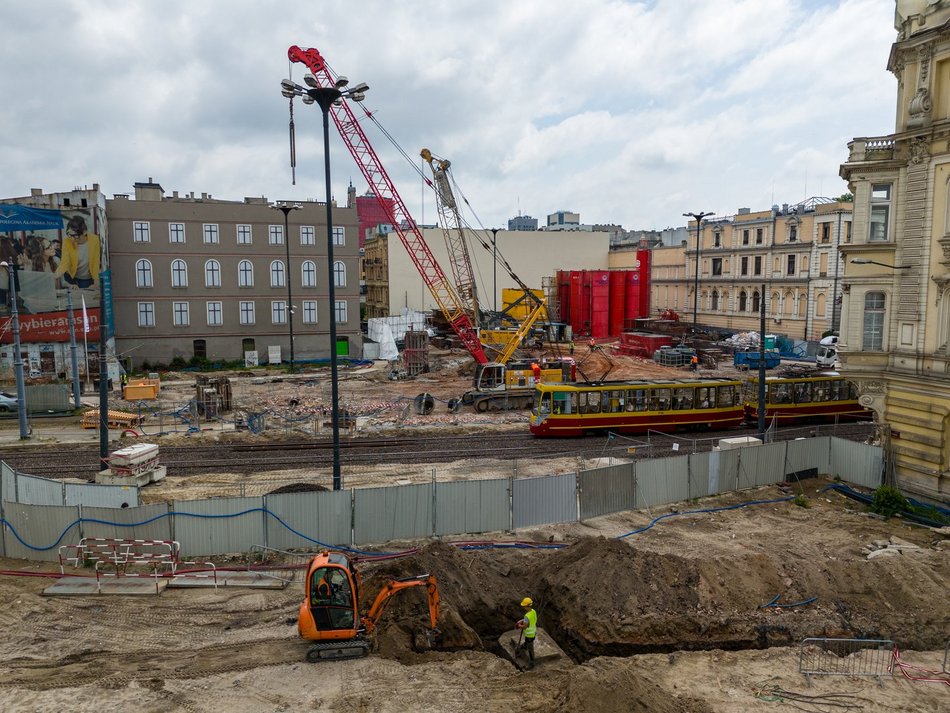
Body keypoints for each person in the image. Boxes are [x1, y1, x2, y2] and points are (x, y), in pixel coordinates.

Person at [55, 214, 101, 289]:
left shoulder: (94, 240)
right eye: (69, 235)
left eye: (75, 235)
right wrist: (54, 276)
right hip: (70, 275)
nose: (72, 239)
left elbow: (96, 262)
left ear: (84, 232)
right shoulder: (67, 242)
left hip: (85, 278)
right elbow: (64, 262)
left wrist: (96, 282)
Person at [515, 596, 538, 670]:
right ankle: (524, 646)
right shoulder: (533, 611)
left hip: (529, 634)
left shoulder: (526, 616)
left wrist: (519, 625)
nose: (523, 607)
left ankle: (532, 663)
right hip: (533, 632)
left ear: (527, 606)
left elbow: (524, 626)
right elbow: (528, 620)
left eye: (524, 606)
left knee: (530, 649)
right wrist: (521, 620)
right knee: (528, 642)